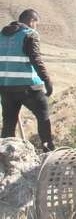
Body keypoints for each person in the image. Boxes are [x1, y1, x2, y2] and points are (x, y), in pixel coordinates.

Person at [0, 9, 55, 152]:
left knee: (8, 124)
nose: (36, 27)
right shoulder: (30, 34)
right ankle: (48, 150)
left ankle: (5, 157)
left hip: (5, 88)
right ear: (31, 21)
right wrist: (47, 81)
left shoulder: (2, 35)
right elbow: (36, 59)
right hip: (28, 87)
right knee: (43, 114)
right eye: (36, 23)